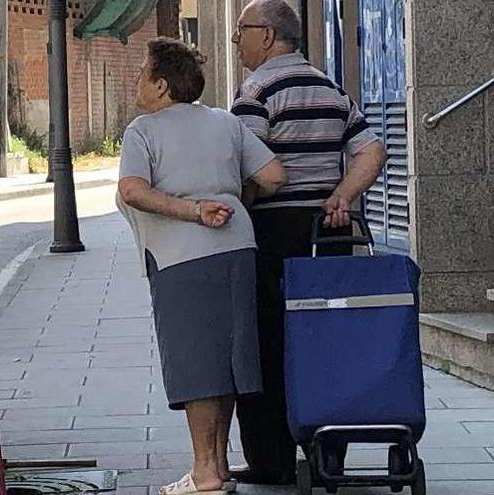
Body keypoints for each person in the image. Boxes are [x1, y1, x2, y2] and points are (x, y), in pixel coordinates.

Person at [117, 37, 287, 495]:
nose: (136, 82)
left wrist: (194, 210)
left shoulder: (143, 130)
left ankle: (205, 473)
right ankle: (219, 465)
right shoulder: (225, 122)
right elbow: (273, 176)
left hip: (180, 256)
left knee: (196, 363)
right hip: (238, 248)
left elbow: (133, 190)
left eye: (142, 74)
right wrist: (232, 198)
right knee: (227, 361)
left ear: (161, 84)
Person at [228, 0, 386, 485]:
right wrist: (342, 194)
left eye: (242, 32)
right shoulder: (330, 88)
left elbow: (249, 172)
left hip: (275, 235)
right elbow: (373, 148)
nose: (236, 42)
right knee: (325, 341)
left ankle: (272, 460)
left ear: (269, 36)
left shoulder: (255, 92)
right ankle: (327, 453)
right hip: (328, 232)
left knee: (266, 344)